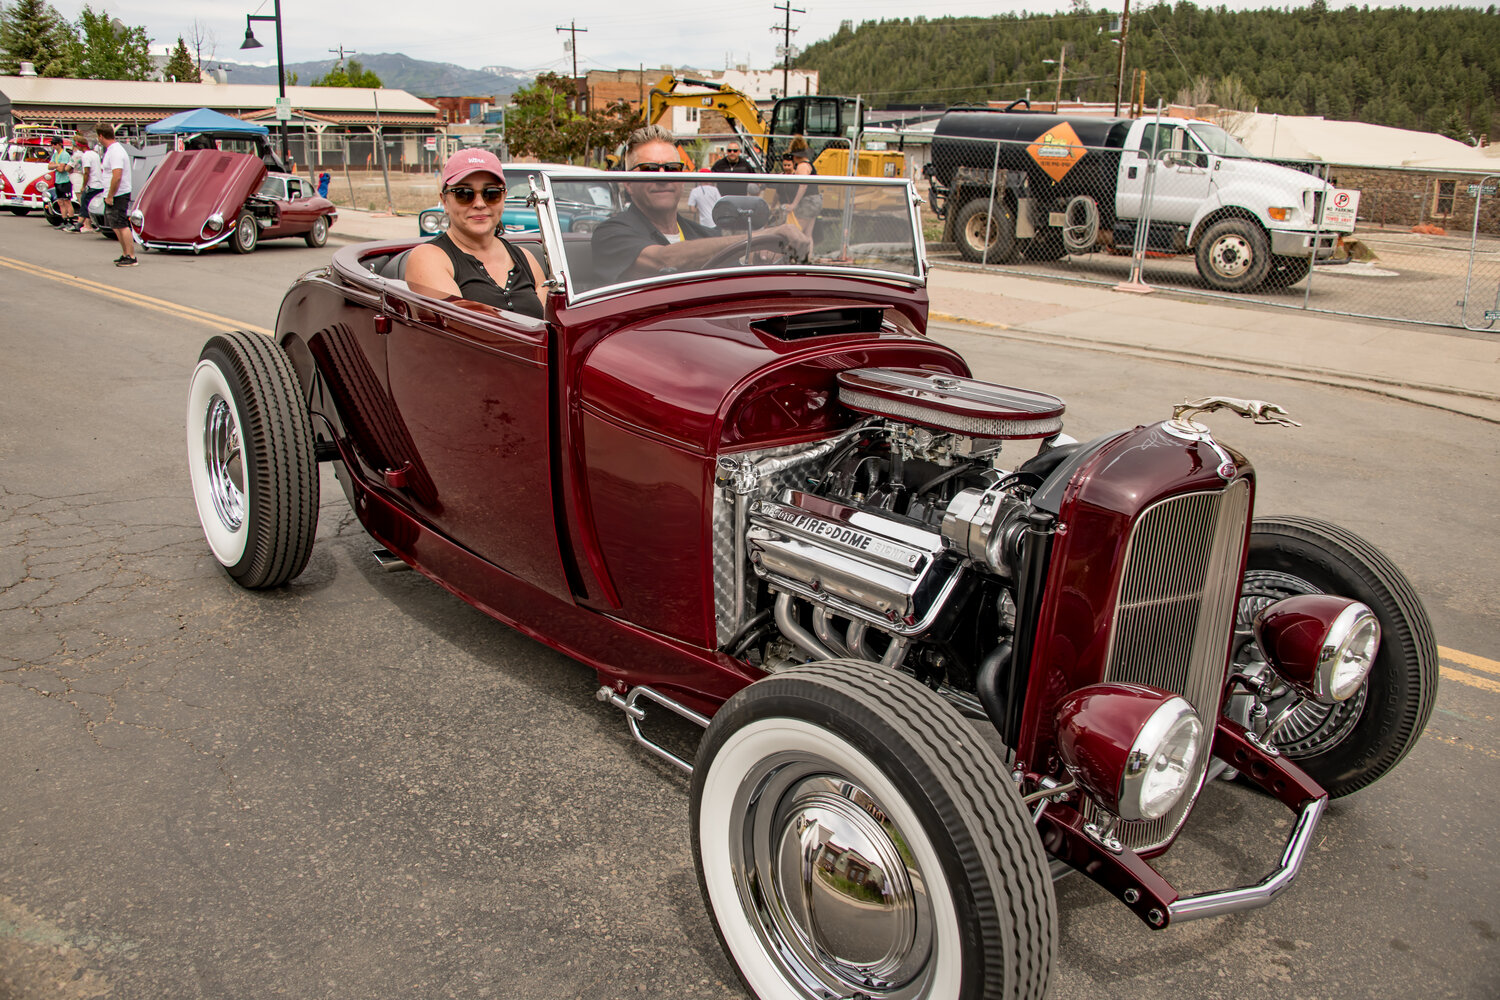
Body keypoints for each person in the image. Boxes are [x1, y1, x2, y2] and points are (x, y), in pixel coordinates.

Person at [591, 125, 811, 286]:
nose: (663, 177)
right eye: (649, 169)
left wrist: (764, 255)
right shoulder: (610, 234)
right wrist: (761, 236)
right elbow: (665, 259)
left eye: (672, 169)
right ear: (628, 182)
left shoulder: (703, 234)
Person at [404, 149, 546, 318]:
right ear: (445, 201)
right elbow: (462, 330)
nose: (479, 203)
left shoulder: (527, 258)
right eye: (464, 194)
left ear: (504, 197)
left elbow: (551, 327)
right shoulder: (427, 258)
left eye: (491, 194)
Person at [97, 123, 137, 267]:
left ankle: (131, 255)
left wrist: (110, 195)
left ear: (101, 136)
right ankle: (125, 253)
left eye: (98, 136)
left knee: (121, 224)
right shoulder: (112, 150)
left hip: (118, 193)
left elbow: (117, 175)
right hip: (113, 192)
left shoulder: (115, 152)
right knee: (115, 224)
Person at [69, 135, 102, 233]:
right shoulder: (94, 154)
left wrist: (84, 185)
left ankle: (80, 224)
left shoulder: (86, 156)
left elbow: (86, 172)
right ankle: (87, 224)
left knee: (84, 203)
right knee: (93, 204)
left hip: (92, 184)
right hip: (99, 183)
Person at [785, 146, 822, 235]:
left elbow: (803, 185)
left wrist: (794, 204)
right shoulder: (809, 165)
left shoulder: (802, 166)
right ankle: (809, 249)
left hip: (808, 202)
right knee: (808, 234)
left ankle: (796, 249)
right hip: (814, 201)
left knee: (797, 232)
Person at [48, 137, 75, 229]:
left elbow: (61, 169)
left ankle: (71, 221)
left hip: (65, 181)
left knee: (67, 201)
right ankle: (64, 220)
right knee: (60, 202)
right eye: (52, 144)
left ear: (59, 144)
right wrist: (57, 165)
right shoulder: (55, 154)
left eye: (54, 144)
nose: (53, 146)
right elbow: (49, 166)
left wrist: (56, 166)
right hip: (58, 181)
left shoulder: (65, 154)